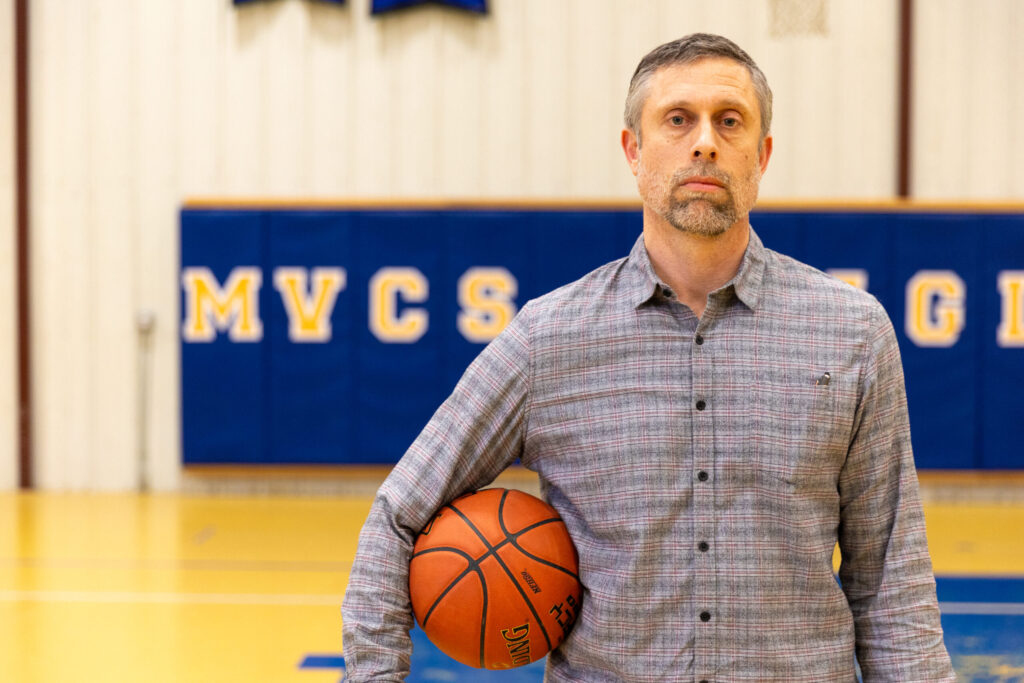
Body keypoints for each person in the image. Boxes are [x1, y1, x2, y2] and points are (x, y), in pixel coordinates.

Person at [342, 33, 955, 681]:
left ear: (762, 155)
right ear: (633, 151)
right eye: (677, 119)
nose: (705, 143)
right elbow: (398, 515)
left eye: (730, 121)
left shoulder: (852, 332)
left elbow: (892, 581)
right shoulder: (549, 338)